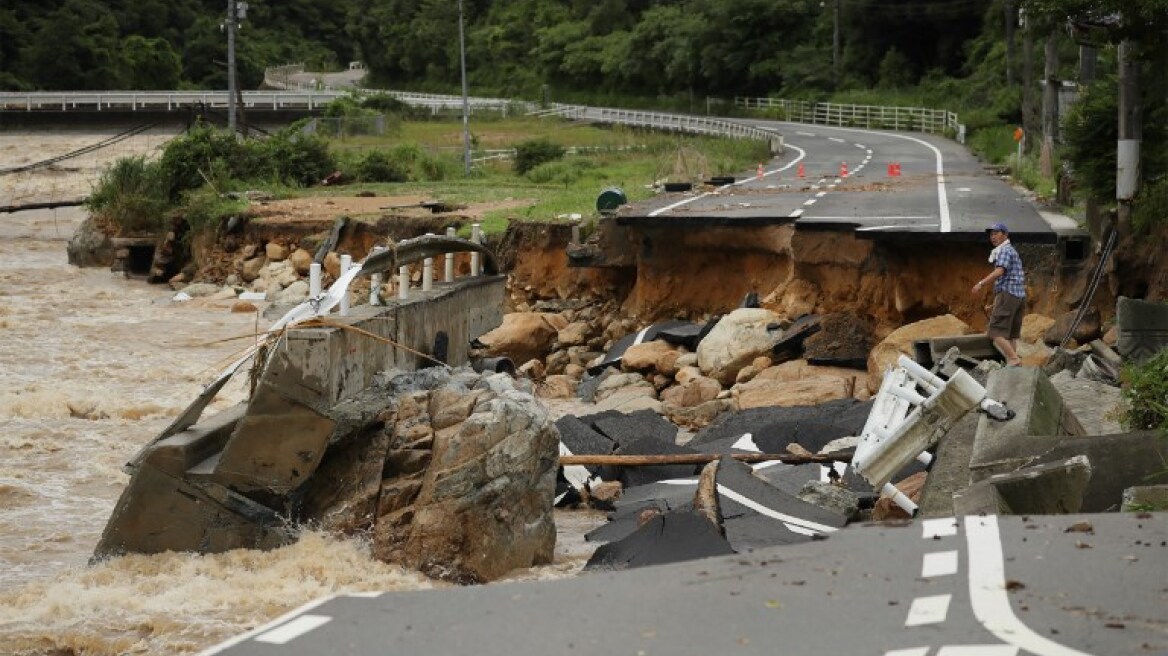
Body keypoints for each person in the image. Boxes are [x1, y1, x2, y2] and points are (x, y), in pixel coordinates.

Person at [972, 222, 1025, 366]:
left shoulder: (1005, 251)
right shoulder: (1011, 250)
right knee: (1011, 334)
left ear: (1005, 235)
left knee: (994, 332)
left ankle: (1013, 359)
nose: (993, 237)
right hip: (1018, 296)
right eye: (991, 234)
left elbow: (999, 271)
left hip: (1008, 293)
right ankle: (1013, 361)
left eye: (996, 233)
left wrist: (981, 284)